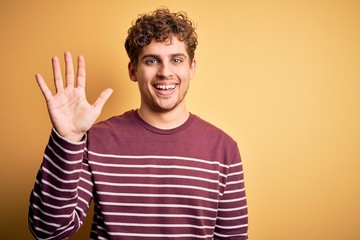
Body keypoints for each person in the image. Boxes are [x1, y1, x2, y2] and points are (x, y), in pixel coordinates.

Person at [28, 7, 248, 240]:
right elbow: (47, 230)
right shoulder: (96, 140)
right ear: (133, 70)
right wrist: (67, 139)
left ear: (191, 67)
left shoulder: (224, 149)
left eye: (176, 60)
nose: (165, 72)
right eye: (152, 60)